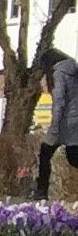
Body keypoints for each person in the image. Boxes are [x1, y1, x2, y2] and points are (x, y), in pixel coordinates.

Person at [41, 42, 78, 200]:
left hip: (64, 123)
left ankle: (40, 192)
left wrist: (54, 126)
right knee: (74, 157)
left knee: (44, 154)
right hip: (75, 122)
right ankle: (40, 191)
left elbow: (59, 101)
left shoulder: (58, 74)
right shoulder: (74, 70)